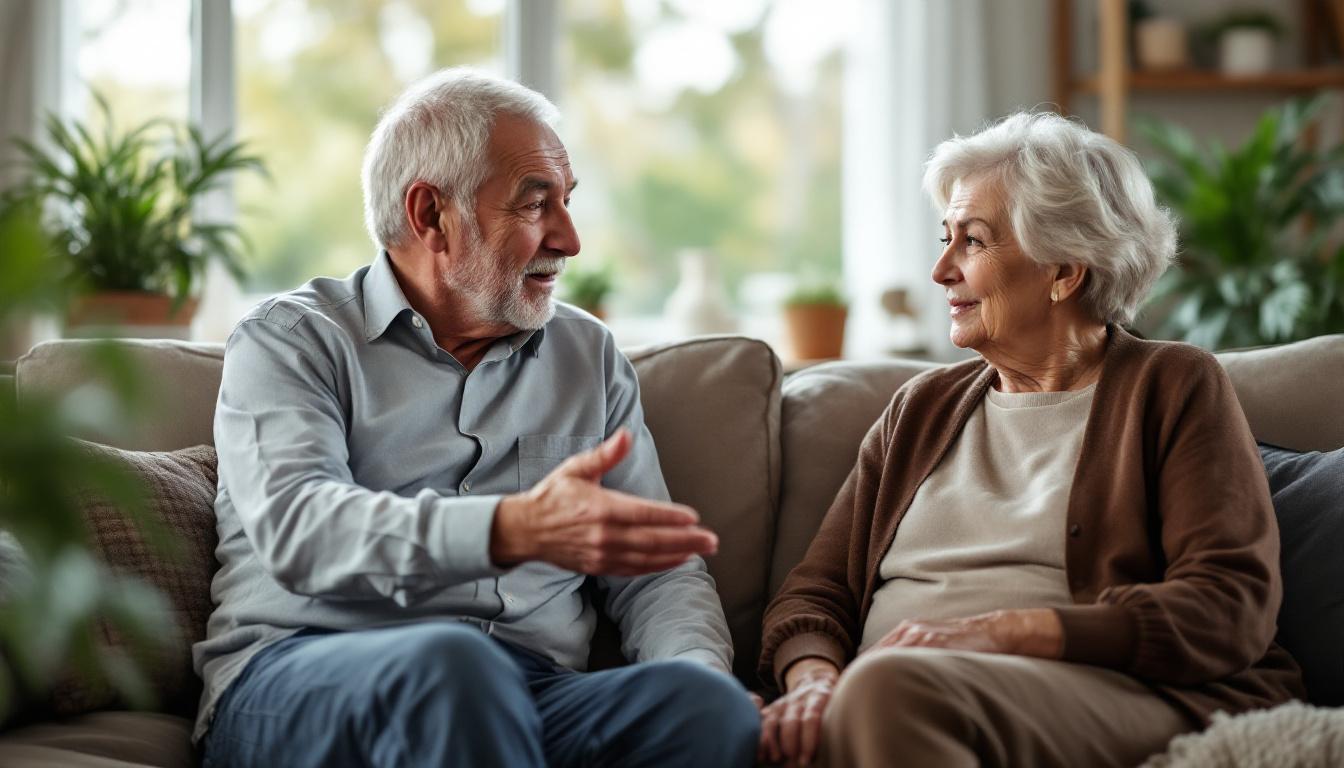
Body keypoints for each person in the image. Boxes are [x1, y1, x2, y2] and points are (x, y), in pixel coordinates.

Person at [195, 68, 760, 768]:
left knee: (705, 708)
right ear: (431, 214)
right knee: (452, 669)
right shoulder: (291, 340)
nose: (571, 239)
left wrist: (697, 668)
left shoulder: (587, 354)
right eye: (534, 205)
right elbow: (301, 530)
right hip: (303, 676)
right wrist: (510, 527)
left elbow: (658, 573)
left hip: (532, 692)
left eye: (568, 202)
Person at [757, 112, 1304, 768]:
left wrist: (1004, 632)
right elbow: (816, 593)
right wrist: (815, 680)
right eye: (945, 238)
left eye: (973, 242)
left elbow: (1228, 604)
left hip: (1120, 692)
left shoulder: (1171, 386)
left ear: (1064, 270)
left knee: (885, 689)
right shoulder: (918, 411)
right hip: (901, 697)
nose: (939, 270)